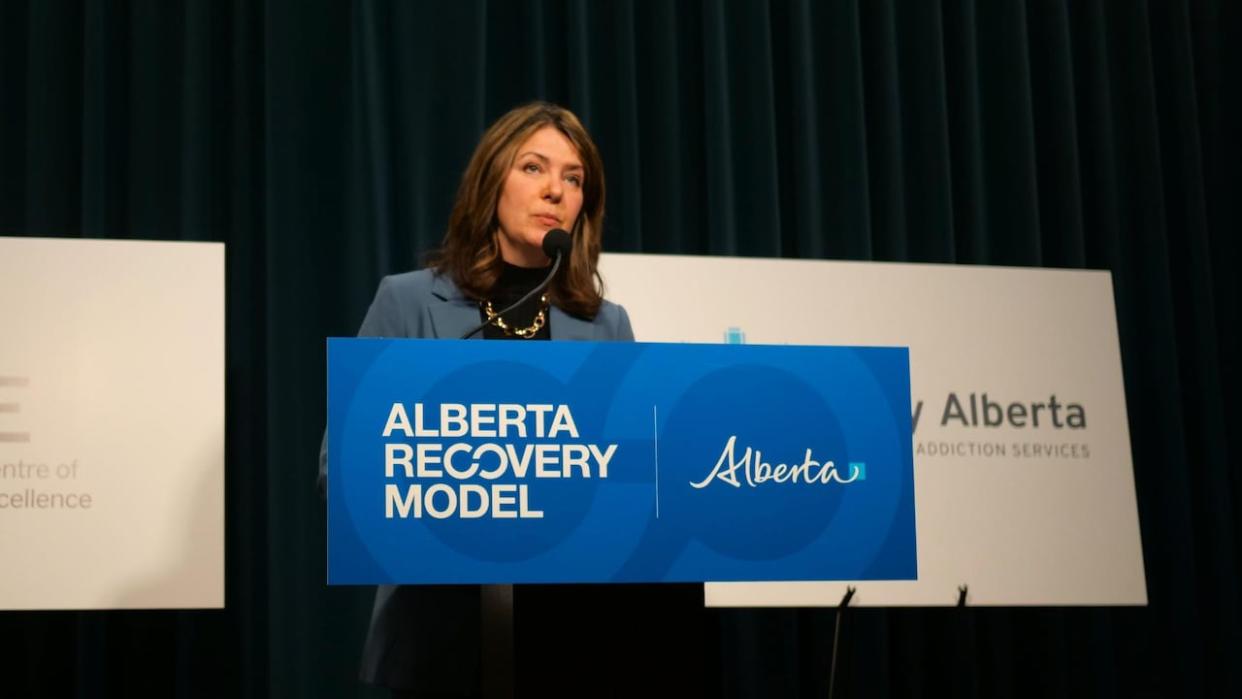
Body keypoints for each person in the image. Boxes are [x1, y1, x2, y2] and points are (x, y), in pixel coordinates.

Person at [319, 102, 635, 697]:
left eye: (573, 179)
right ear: (492, 181)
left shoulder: (605, 325)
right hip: (439, 631)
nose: (555, 191)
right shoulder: (408, 302)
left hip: (570, 630)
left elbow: (630, 477)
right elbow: (342, 469)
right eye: (534, 168)